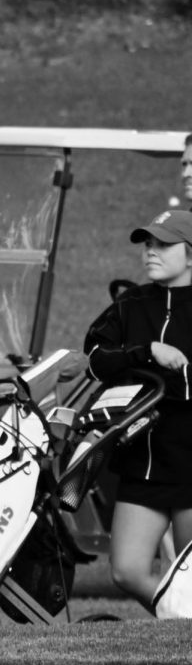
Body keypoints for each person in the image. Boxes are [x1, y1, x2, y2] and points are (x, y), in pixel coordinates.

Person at [84, 209, 192, 611]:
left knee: (189, 576)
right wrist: (147, 352)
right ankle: (177, 621)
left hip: (189, 457)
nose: (151, 251)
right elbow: (95, 357)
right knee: (126, 570)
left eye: (163, 244)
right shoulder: (131, 304)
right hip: (142, 459)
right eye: (148, 243)